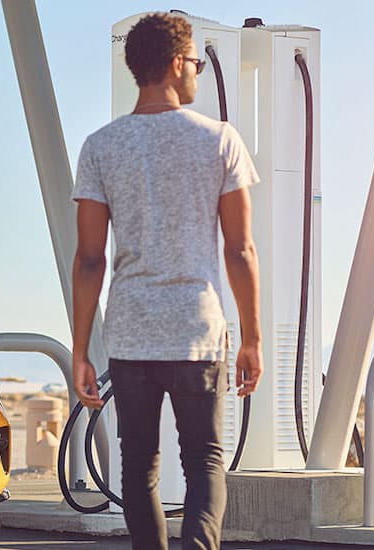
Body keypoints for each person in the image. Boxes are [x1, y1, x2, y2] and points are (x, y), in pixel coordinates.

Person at [69, 12, 264, 550]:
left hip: (131, 332)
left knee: (139, 465)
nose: (197, 72)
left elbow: (89, 258)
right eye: (196, 62)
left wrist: (81, 348)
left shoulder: (101, 147)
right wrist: (252, 337)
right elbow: (240, 248)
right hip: (198, 331)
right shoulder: (220, 141)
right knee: (203, 460)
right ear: (177, 64)